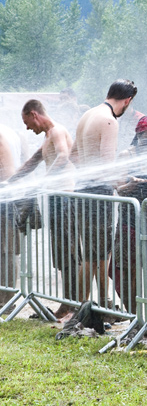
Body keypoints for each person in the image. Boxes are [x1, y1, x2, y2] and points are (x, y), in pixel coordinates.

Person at [71, 79, 138, 306]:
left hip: (83, 190)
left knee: (96, 254)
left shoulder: (87, 115)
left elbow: (74, 157)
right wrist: (126, 181)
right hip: (99, 194)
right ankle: (82, 310)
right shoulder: (109, 121)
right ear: (127, 101)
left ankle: (100, 304)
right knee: (95, 257)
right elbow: (107, 166)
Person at [11, 101, 79, 318]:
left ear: (34, 114)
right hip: (55, 199)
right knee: (60, 254)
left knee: (68, 253)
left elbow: (63, 156)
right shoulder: (47, 136)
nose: (28, 128)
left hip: (65, 198)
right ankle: (67, 303)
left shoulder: (57, 131)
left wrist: (41, 183)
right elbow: (32, 161)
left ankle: (72, 305)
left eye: (27, 122)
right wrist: (11, 182)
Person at [111, 116, 147, 317]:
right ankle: (135, 317)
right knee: (127, 271)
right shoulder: (127, 155)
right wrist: (131, 184)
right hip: (129, 220)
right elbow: (117, 187)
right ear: (138, 135)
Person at [0, 123, 23, 307]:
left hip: (4, 202)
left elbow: (8, 173)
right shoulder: (9, 130)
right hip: (8, 201)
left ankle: (6, 301)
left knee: (7, 251)